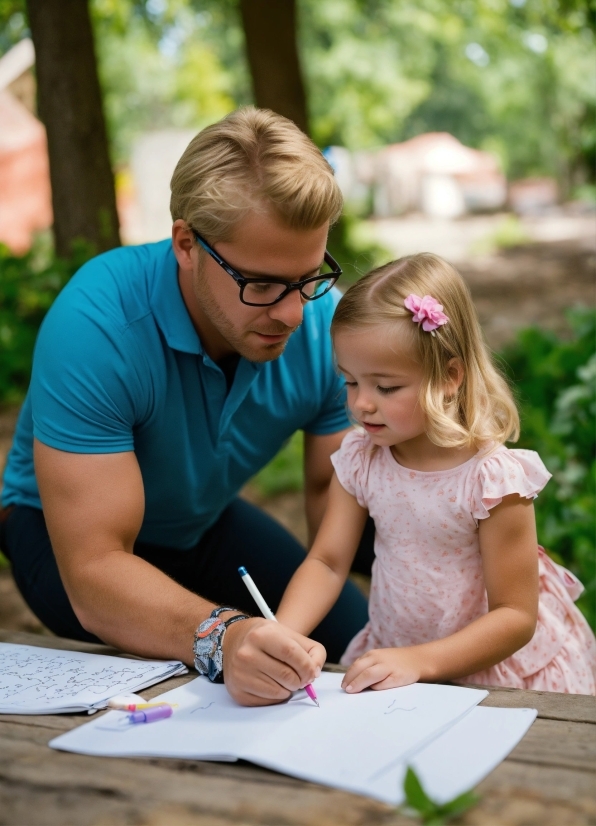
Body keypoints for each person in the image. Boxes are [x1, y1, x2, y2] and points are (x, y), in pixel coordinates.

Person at [0, 107, 372, 707]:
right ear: (185, 245)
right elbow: (95, 571)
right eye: (263, 285)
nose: (292, 315)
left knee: (361, 641)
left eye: (309, 278)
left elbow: (338, 506)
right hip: (64, 539)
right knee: (196, 678)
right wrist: (223, 636)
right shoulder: (98, 324)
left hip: (199, 523)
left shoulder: (322, 326)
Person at [277, 253, 596, 695]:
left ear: (449, 376)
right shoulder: (362, 457)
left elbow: (515, 616)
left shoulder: (492, 480)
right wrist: (283, 634)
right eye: (350, 381)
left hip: (487, 669)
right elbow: (328, 562)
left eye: (386, 387)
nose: (361, 403)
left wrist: (419, 661)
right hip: (398, 658)